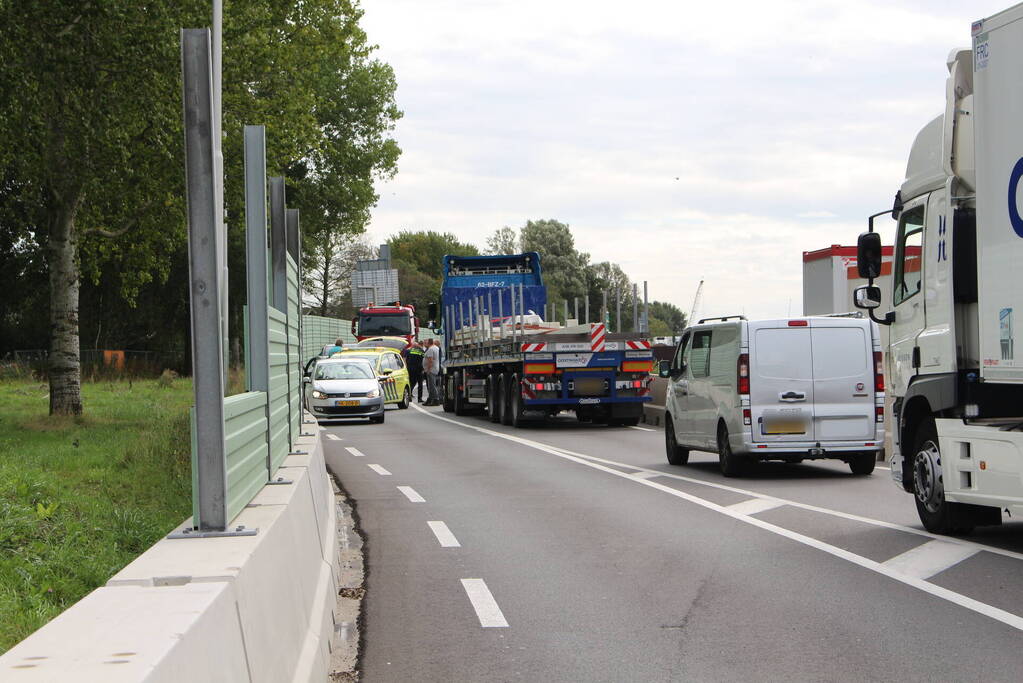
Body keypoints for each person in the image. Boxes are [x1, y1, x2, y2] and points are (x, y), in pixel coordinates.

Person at [423, 338, 442, 406]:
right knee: (431, 385)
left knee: (432, 385)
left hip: (431, 369)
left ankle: (436, 399)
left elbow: (430, 361)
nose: (425, 343)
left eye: (426, 342)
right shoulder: (436, 347)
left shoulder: (431, 349)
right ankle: (430, 399)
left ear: (429, 342)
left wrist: (428, 369)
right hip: (435, 368)